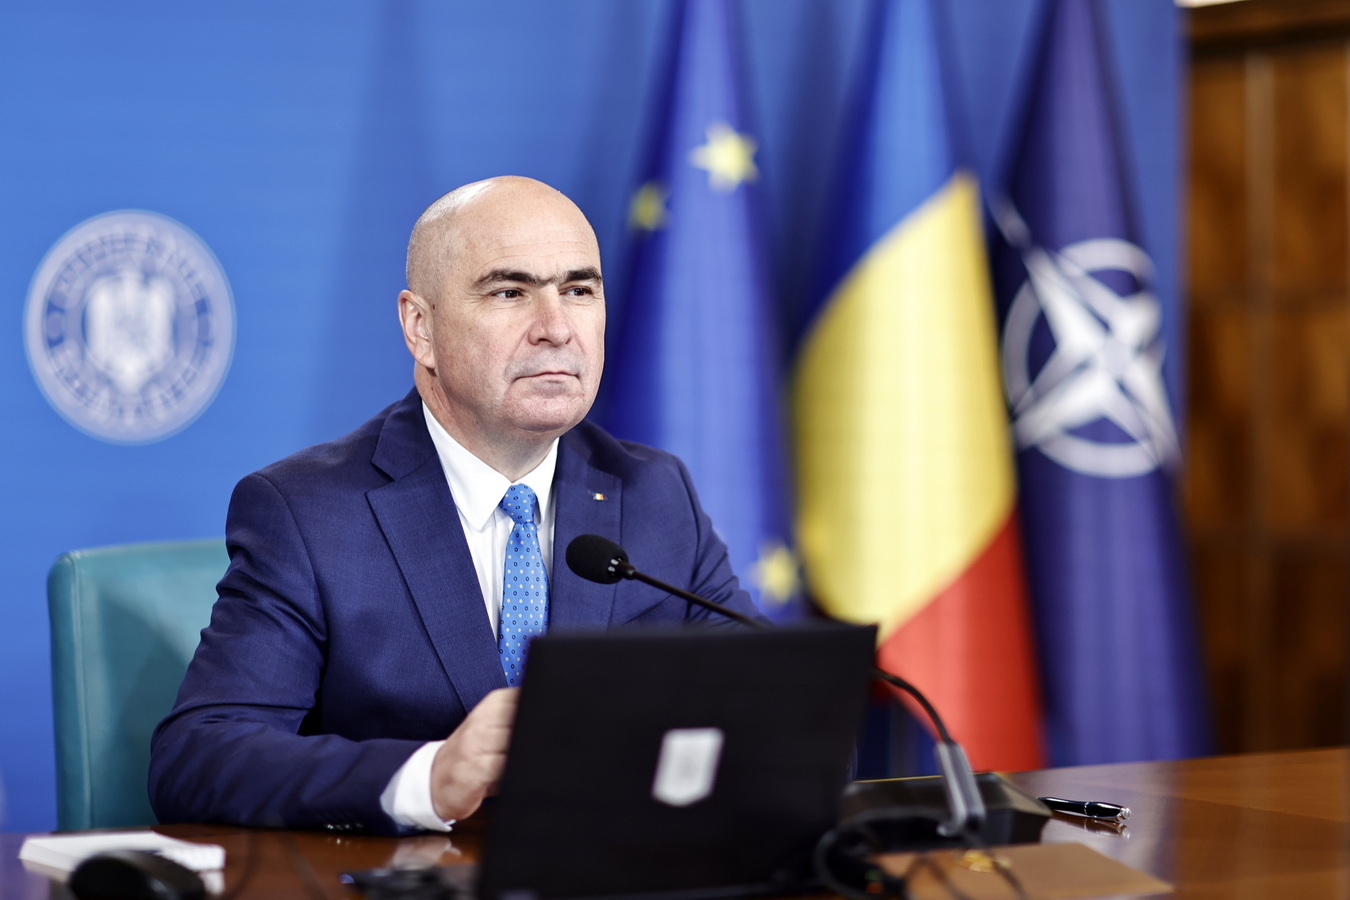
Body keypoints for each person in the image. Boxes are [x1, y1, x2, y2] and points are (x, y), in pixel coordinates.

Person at [148, 176, 761, 834]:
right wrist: (428, 778)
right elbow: (200, 757)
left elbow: (776, 712)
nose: (557, 328)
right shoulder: (310, 515)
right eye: (510, 292)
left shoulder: (655, 494)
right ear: (421, 328)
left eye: (579, 290)